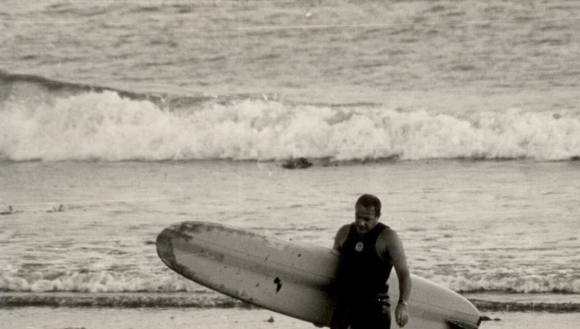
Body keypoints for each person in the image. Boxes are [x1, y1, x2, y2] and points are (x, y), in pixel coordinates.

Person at [331, 194, 411, 329]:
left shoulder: (389, 237)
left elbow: (404, 274)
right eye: (358, 217)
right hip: (344, 307)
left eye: (367, 219)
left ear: (377, 216)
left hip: (374, 310)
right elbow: (332, 268)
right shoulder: (343, 233)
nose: (361, 223)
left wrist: (403, 304)